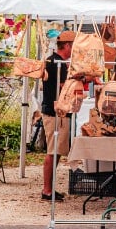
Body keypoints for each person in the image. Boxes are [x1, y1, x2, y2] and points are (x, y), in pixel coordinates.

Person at [40, 31, 75, 201]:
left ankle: (49, 188)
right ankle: (47, 190)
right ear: (67, 46)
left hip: (56, 112)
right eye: (73, 46)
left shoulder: (54, 61)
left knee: (56, 151)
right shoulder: (56, 63)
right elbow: (64, 87)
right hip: (54, 113)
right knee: (53, 151)